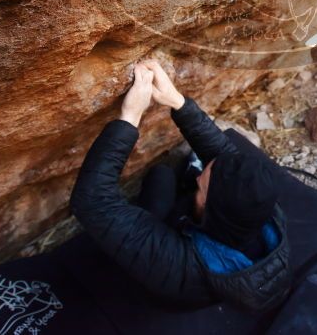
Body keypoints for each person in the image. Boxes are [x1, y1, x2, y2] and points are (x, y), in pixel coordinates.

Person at [69, 60, 291, 311]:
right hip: (199, 238)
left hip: (168, 285)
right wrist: (177, 102)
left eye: (203, 183)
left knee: (160, 181)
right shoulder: (264, 210)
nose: (198, 178)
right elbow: (224, 155)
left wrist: (129, 118)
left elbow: (92, 202)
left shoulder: (177, 266)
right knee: (162, 176)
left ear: (208, 205)